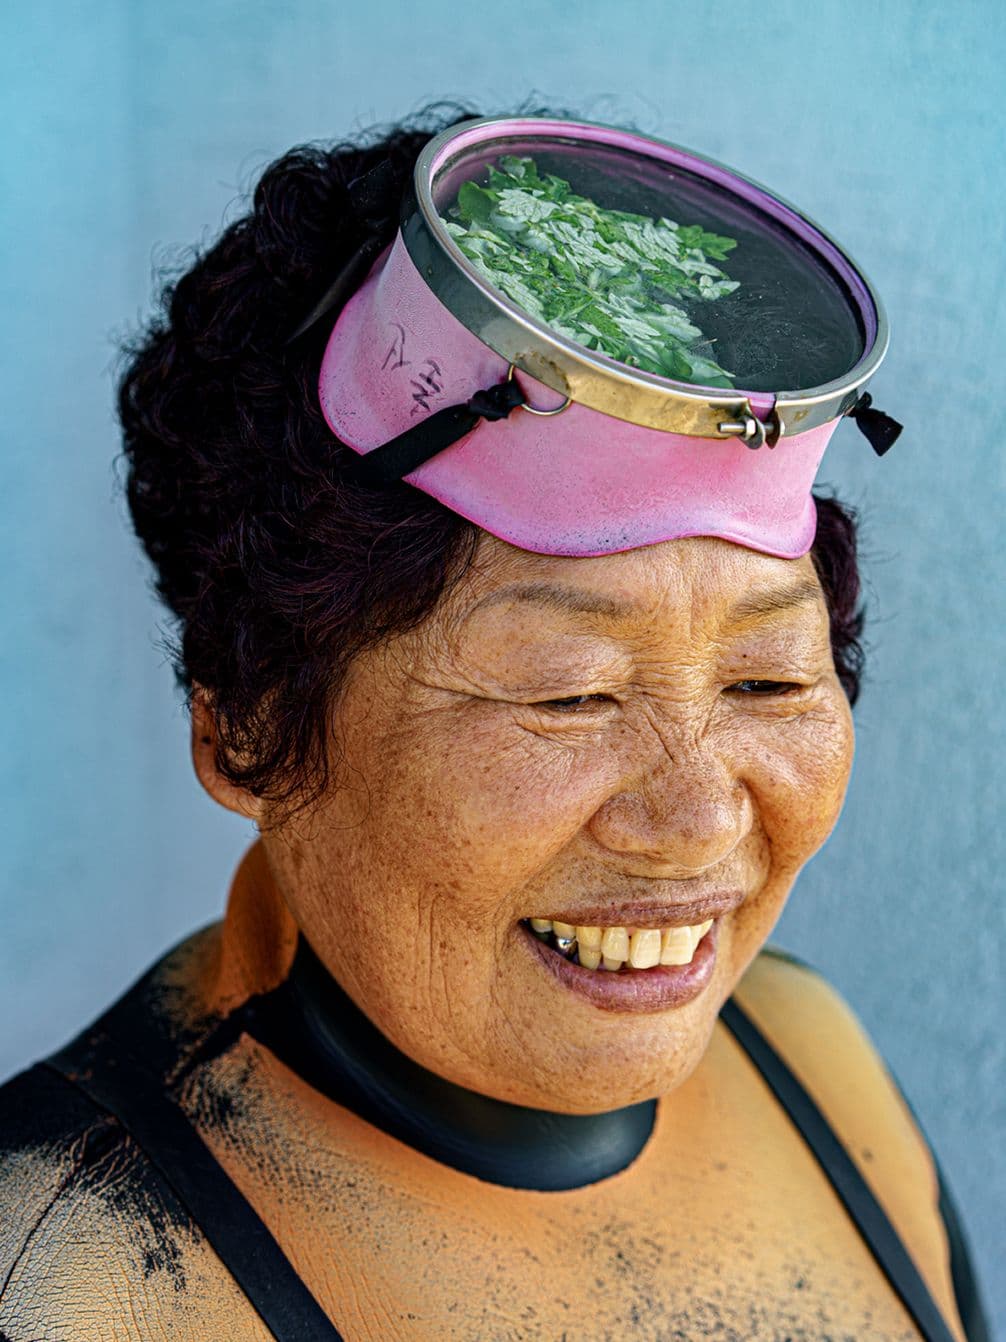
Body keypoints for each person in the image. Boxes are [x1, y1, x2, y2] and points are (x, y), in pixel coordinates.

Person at [0, 106, 989, 1342]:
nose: (692, 824)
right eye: (567, 694)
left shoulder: (812, 1063)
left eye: (766, 681)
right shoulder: (69, 1279)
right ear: (251, 727)